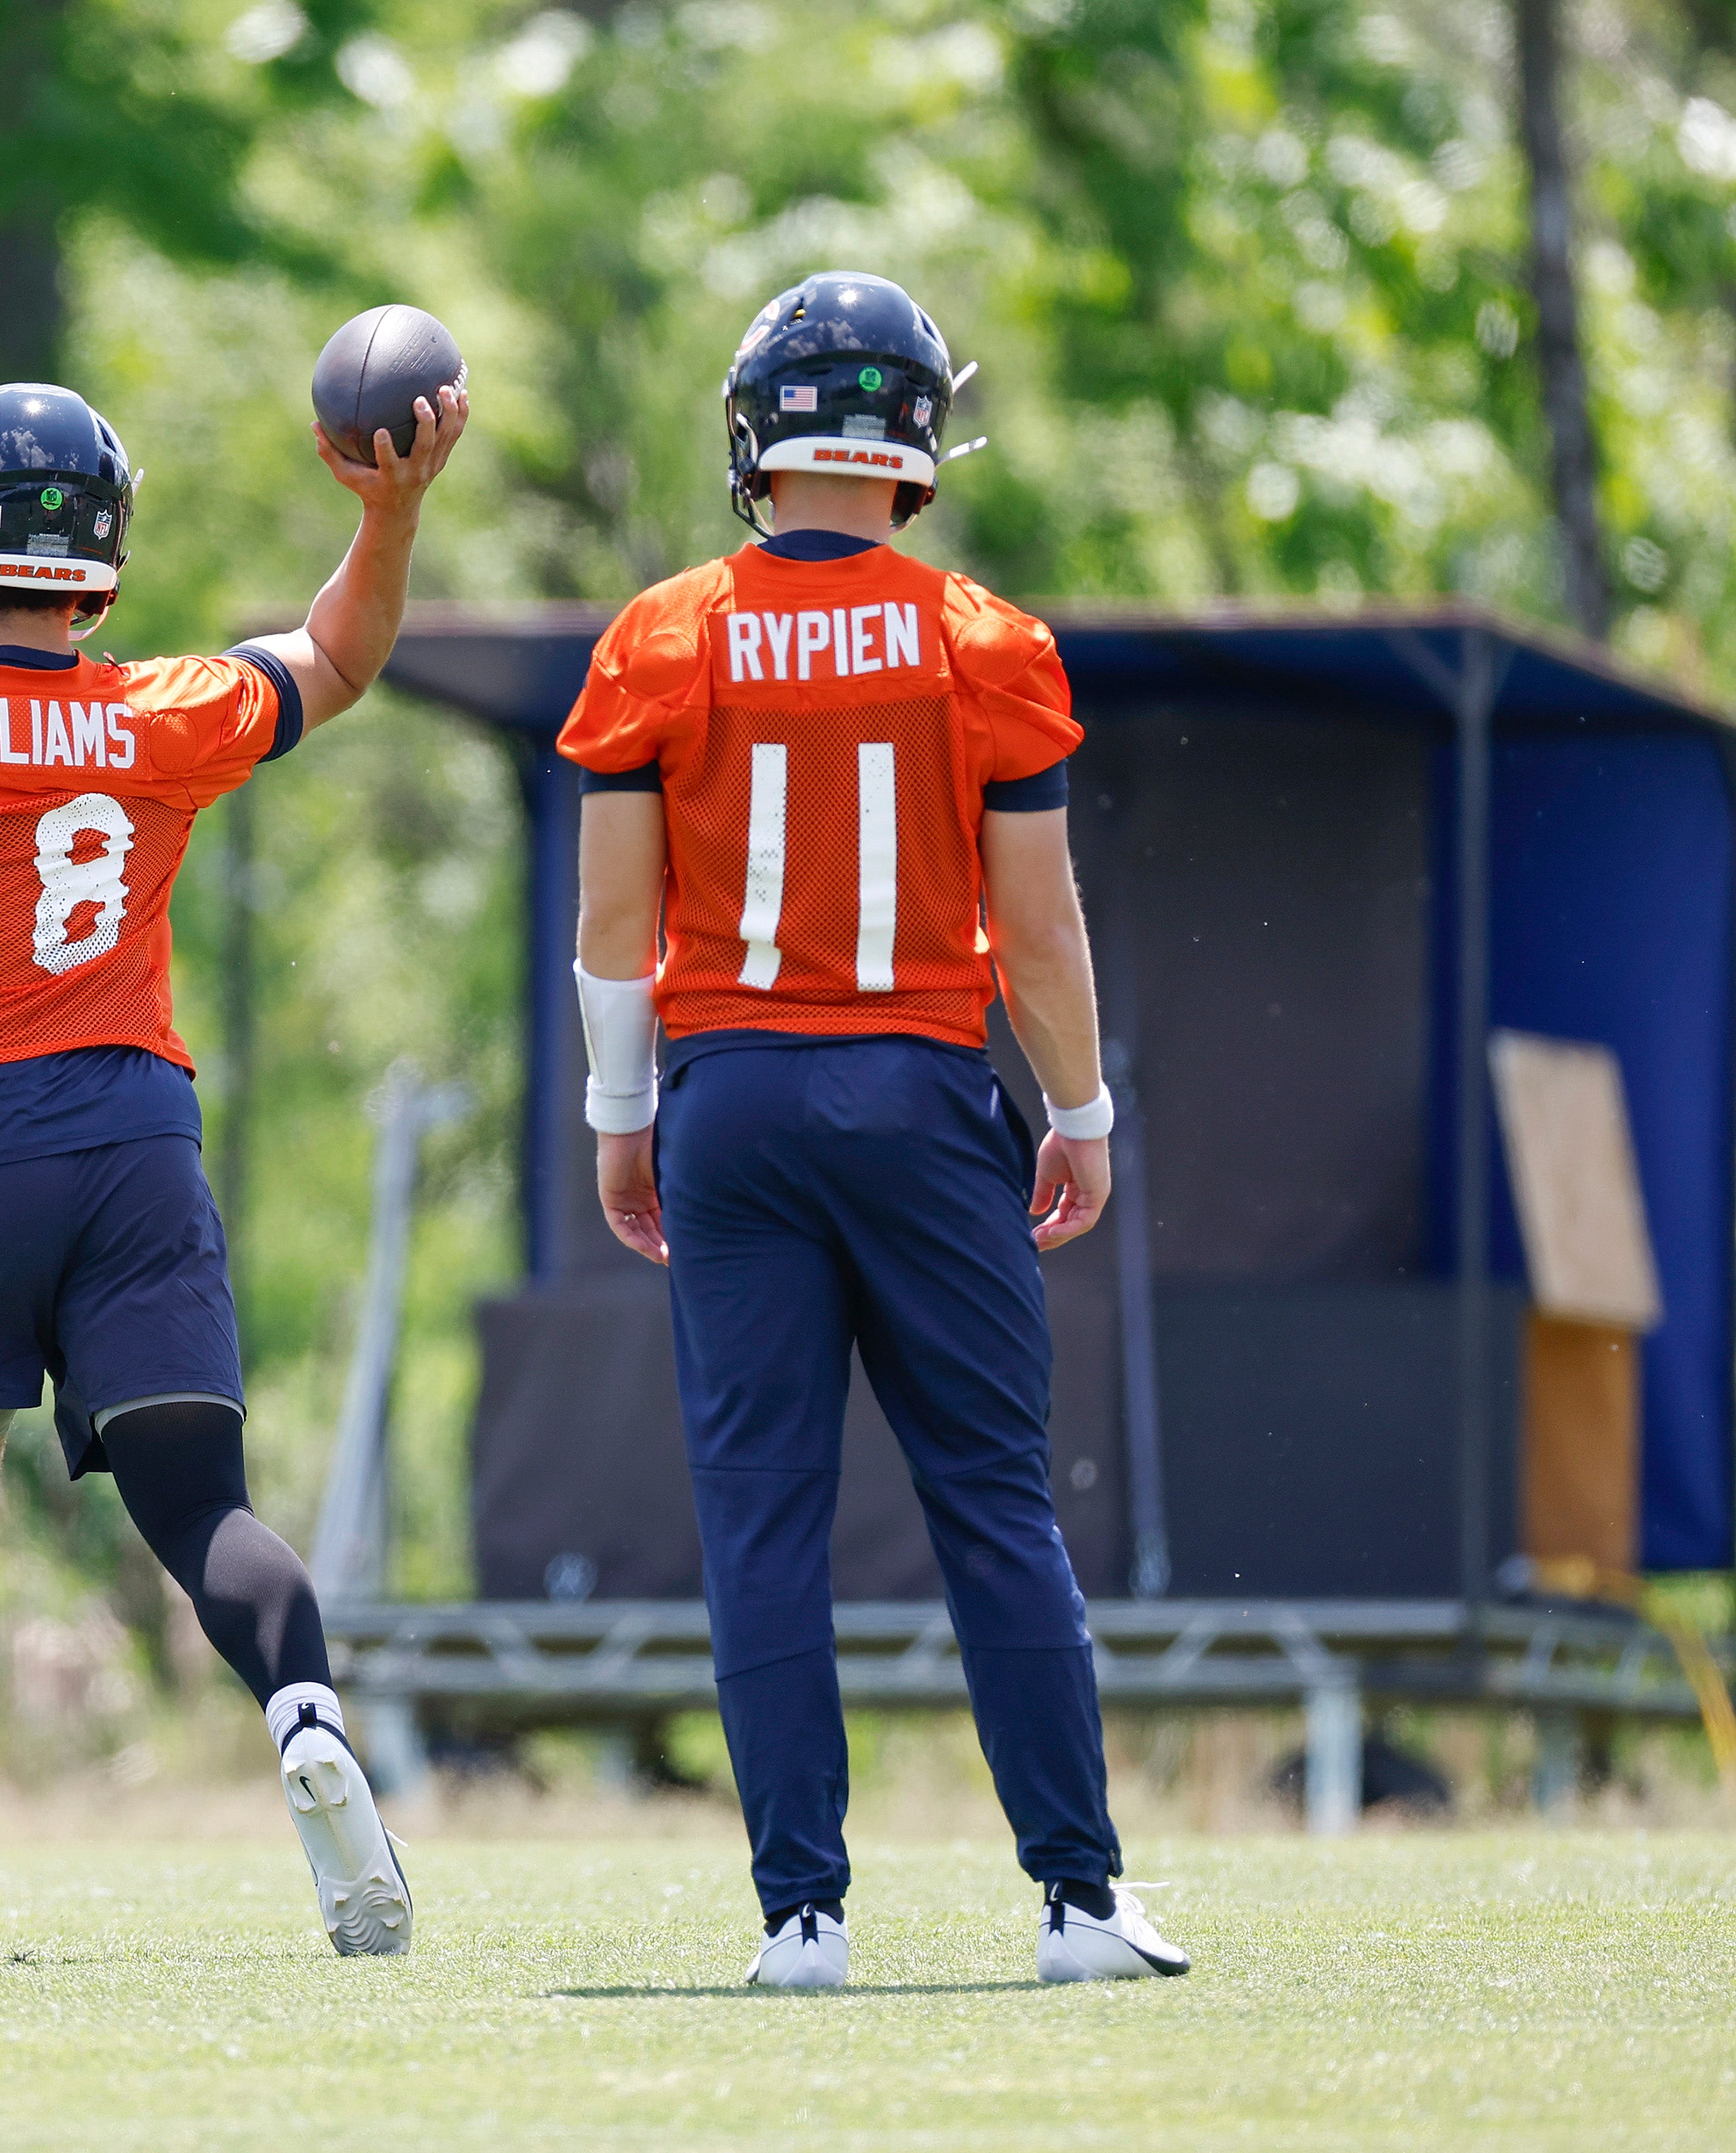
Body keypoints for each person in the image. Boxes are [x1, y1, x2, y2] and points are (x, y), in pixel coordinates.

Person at [0, 375, 464, 1961]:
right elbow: (340, 656)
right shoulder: (161, 715)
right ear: (104, 554)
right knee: (201, 1500)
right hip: (134, 1134)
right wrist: (387, 514)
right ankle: (303, 1711)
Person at [561, 273, 1188, 1989]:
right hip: (917, 1095)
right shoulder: (985, 639)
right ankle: (1074, 1900)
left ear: (758, 438)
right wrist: (1083, 1110)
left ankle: (804, 1920)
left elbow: (616, 928)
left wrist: (625, 1121)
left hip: (735, 1101)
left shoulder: (662, 634)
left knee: (764, 1512)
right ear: (919, 436)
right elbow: (1042, 930)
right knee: (993, 1498)